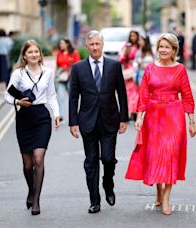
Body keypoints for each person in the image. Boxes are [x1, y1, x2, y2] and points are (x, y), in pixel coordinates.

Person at [125, 33, 196, 215]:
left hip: (174, 115)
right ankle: (158, 190)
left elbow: (187, 96)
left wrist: (191, 121)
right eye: (161, 47)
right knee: (156, 156)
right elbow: (143, 94)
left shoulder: (180, 69)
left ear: (174, 50)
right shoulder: (150, 68)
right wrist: (139, 117)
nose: (163, 50)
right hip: (154, 117)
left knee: (170, 154)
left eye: (167, 47)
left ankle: (166, 198)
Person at [69, 30, 128, 213]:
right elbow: (73, 97)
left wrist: (124, 118)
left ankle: (108, 183)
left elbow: (122, 93)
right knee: (91, 161)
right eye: (91, 44)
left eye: (97, 44)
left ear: (103, 45)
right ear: (87, 46)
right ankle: (94, 200)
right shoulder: (78, 68)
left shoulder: (114, 66)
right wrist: (73, 122)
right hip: (87, 121)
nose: (95, 47)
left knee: (108, 159)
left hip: (110, 120)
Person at [5, 39, 61, 215]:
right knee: (28, 165)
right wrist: (18, 101)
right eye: (30, 52)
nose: (34, 55)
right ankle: (31, 189)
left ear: (40, 54)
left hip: (42, 117)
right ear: (24, 55)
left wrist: (57, 114)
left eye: (36, 52)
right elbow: (7, 95)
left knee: (38, 159)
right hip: (24, 118)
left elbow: (51, 95)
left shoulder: (48, 72)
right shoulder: (18, 74)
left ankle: (36, 199)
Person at [55, 38, 80, 120]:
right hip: (61, 78)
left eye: (62, 43)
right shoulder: (59, 54)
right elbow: (57, 65)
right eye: (60, 44)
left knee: (73, 98)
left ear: (67, 44)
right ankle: (61, 115)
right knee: (60, 97)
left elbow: (78, 65)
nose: (60, 45)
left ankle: (75, 115)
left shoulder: (74, 53)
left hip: (71, 78)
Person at [118, 30, 140, 120]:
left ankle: (136, 112)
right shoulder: (126, 46)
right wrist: (126, 53)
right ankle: (129, 112)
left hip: (137, 72)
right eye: (131, 36)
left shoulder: (139, 46)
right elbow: (120, 58)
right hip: (128, 72)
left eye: (134, 36)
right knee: (128, 93)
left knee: (137, 93)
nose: (133, 38)